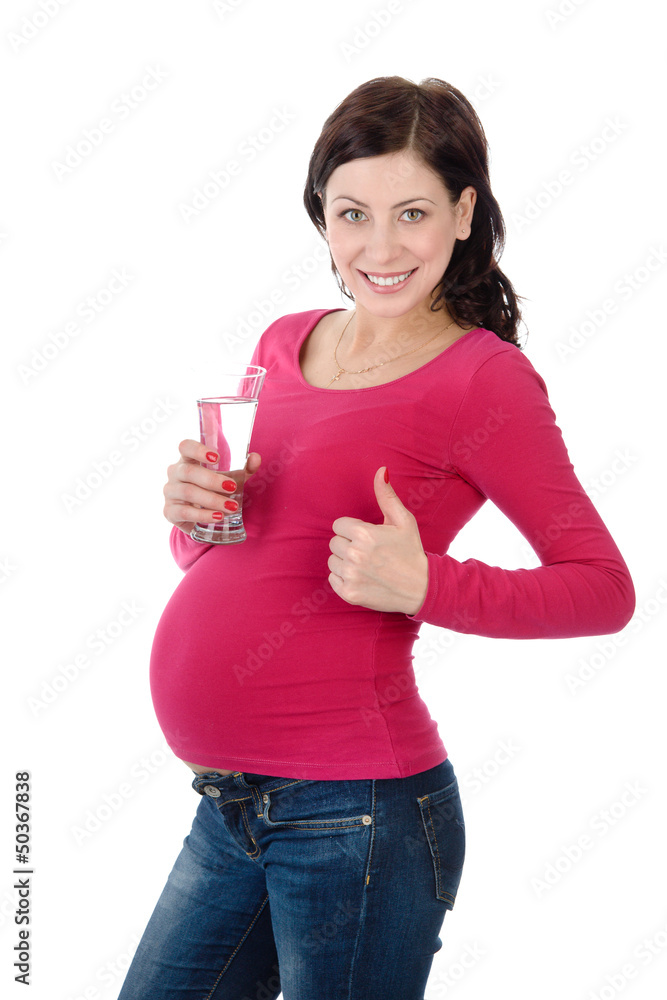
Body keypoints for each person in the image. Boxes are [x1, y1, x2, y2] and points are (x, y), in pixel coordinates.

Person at [117, 76, 635, 999]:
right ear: (321, 214)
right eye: (353, 213)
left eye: (412, 212)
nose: (380, 247)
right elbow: (240, 561)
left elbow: (602, 588)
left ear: (463, 211)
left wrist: (426, 583)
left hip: (358, 817)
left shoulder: (485, 381)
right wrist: (194, 518)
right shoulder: (283, 342)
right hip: (231, 806)